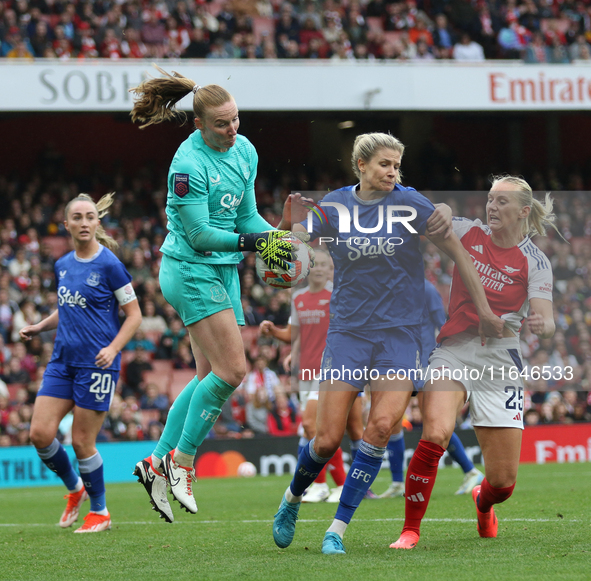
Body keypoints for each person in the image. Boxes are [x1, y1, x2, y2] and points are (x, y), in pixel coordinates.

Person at [272, 132, 504, 555]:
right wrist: (289, 229)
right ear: (360, 165)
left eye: (397, 165)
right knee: (325, 440)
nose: (392, 172)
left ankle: (336, 530)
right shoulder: (337, 204)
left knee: (381, 427)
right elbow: (298, 239)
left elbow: (458, 252)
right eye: (384, 164)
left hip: (400, 337)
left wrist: (486, 311)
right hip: (347, 334)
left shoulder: (409, 203)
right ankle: (291, 501)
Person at [129, 66, 310, 522]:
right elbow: (201, 234)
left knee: (207, 375)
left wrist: (277, 235)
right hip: (190, 269)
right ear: (198, 125)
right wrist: (264, 244)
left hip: (220, 272)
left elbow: (246, 217)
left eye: (236, 120)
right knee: (233, 371)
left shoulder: (244, 150)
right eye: (221, 124)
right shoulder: (187, 164)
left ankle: (155, 462)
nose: (233, 130)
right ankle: (182, 463)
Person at [392, 176, 556, 549]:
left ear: (523, 211)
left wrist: (541, 325)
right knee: (435, 432)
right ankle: (410, 530)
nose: (492, 207)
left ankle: (483, 503)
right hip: (454, 349)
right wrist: (444, 210)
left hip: (501, 358)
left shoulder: (536, 262)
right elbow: (428, 218)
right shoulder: (467, 232)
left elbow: (546, 320)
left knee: (503, 483)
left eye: (502, 202)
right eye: (490, 199)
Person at [21, 193, 142, 533]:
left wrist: (114, 347)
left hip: (97, 364)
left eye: (90, 216)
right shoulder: (62, 264)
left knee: (81, 441)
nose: (85, 222)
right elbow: (68, 306)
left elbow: (134, 315)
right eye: (78, 217)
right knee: (40, 434)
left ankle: (100, 512)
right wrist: (40, 326)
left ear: (97, 223)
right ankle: (75, 489)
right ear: (67, 225)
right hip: (62, 360)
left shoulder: (110, 265)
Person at [379, 279, 484, 499]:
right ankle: (398, 482)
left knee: (433, 421)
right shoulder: (387, 288)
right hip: (398, 362)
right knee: (392, 421)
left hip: (426, 362)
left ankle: (471, 471)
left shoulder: (425, 288)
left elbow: (443, 324)